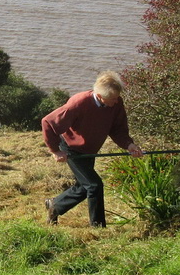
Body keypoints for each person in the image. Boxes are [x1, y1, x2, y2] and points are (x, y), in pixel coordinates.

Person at [40, 71, 143, 228]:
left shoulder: (116, 103)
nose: (117, 101)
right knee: (94, 185)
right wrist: (55, 151)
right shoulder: (79, 103)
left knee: (84, 187)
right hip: (72, 149)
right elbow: (48, 122)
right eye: (113, 99)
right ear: (100, 97)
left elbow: (118, 129)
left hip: (90, 150)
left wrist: (129, 145)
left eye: (117, 97)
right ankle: (98, 226)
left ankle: (54, 205)